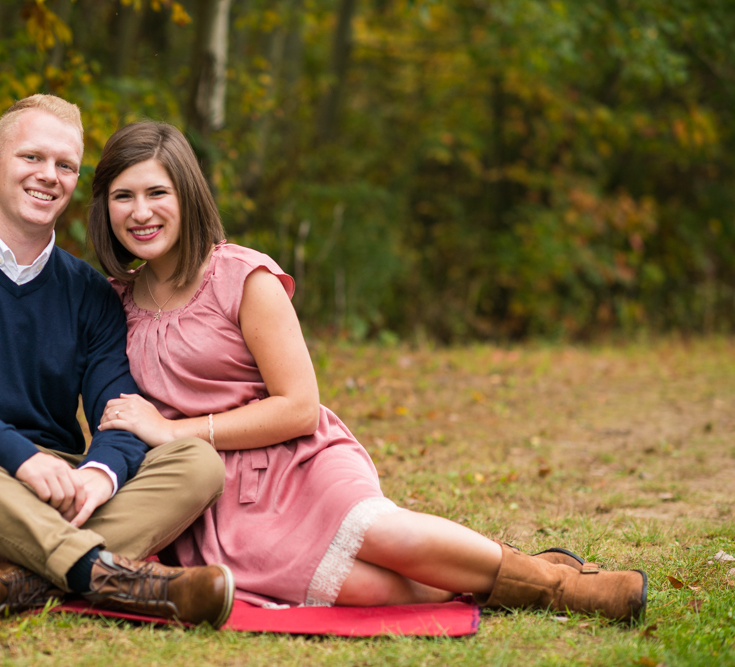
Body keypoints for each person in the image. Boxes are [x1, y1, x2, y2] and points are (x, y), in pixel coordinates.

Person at [87, 121, 647, 621]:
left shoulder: (240, 277)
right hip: (214, 500)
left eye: (157, 192)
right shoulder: (113, 303)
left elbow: (299, 406)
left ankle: (559, 587)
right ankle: (504, 583)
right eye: (123, 196)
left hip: (293, 460)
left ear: (187, 195)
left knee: (384, 534)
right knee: (359, 587)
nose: (141, 212)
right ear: (104, 208)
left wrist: (175, 431)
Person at [0, 96, 234, 628]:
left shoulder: (90, 293)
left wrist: (100, 473)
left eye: (65, 165)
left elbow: (120, 406)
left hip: (55, 495)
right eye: (32, 158)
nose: (49, 176)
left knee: (198, 463)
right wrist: (19, 456)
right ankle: (104, 574)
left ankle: (18, 583)